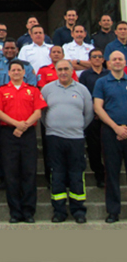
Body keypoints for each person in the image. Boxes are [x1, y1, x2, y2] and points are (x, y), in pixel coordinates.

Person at [0, 60, 47, 223]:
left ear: (24, 73)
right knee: (11, 174)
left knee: (29, 173)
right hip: (9, 134)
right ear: (8, 73)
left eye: (19, 70)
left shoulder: (32, 91)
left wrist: (23, 126)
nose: (16, 72)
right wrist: (16, 124)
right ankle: (15, 212)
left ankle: (29, 211)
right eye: (13, 70)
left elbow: (38, 112)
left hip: (28, 133)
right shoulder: (1, 91)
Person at [41, 60, 93, 224]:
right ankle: (59, 211)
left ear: (72, 71)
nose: (63, 72)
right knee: (57, 174)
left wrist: (77, 128)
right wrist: (52, 126)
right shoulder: (47, 89)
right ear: (56, 71)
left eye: (66, 69)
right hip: (54, 138)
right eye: (60, 69)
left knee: (77, 174)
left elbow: (89, 113)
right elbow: (42, 114)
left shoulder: (82, 90)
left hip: (76, 138)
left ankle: (78, 211)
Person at [0, 38, 37, 190]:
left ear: (16, 50)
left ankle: (23, 179)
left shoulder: (26, 66)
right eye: (6, 48)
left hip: (24, 116)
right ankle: (4, 178)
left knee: (26, 155)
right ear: (2, 50)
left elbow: (32, 87)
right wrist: (3, 104)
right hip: (2, 114)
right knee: (2, 149)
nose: (9, 50)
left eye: (12, 48)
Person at [37, 45, 79, 184]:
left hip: (69, 117)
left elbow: (76, 88)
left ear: (63, 54)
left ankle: (67, 178)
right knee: (49, 150)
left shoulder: (69, 69)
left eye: (58, 52)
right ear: (50, 55)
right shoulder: (43, 70)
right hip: (50, 115)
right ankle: (50, 177)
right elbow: (42, 91)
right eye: (53, 52)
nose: (56, 54)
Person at [93, 50, 127, 223]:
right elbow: (98, 108)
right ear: (109, 63)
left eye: (120, 59)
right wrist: (116, 128)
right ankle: (113, 212)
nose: (117, 61)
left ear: (125, 62)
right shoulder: (102, 82)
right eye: (114, 59)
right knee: (112, 173)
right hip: (110, 132)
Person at [79, 48, 109, 188]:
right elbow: (83, 95)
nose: (97, 59)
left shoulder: (108, 74)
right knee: (94, 147)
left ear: (103, 59)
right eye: (94, 57)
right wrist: (93, 111)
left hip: (108, 116)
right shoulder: (85, 75)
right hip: (92, 116)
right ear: (90, 60)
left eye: (99, 56)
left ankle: (109, 173)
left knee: (108, 148)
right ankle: (99, 175)